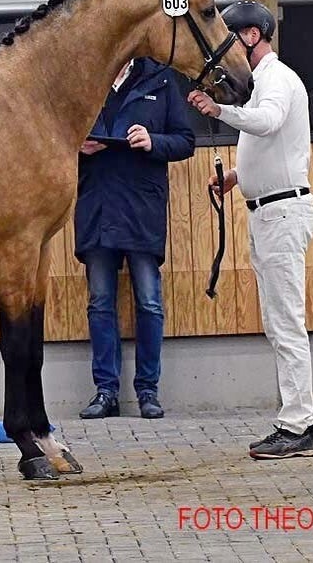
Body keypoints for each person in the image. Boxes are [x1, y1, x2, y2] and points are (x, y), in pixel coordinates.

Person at [187, 1, 313, 459]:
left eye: (232, 37)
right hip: (269, 210)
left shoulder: (275, 79)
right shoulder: (263, 82)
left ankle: (299, 424)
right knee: (278, 322)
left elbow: (268, 122)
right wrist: (236, 176)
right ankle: (297, 420)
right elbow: (273, 145)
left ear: (250, 36)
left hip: (281, 213)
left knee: (286, 322)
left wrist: (219, 110)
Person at [76, 57, 195, 420]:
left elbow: (185, 140)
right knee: (100, 303)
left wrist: (152, 141)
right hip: (97, 205)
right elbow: (52, 139)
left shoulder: (161, 79)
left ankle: (148, 392)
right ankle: (105, 392)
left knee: (149, 302)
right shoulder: (85, 76)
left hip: (142, 208)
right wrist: (76, 146)